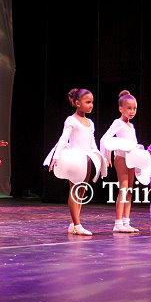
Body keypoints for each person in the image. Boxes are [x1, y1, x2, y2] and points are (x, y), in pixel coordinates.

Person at [43, 88, 107, 235]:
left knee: (81, 191)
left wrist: (99, 156)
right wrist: (56, 156)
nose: (91, 105)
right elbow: (63, 138)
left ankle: (73, 224)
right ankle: (77, 225)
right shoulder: (71, 120)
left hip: (87, 159)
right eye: (88, 102)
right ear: (78, 103)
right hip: (75, 159)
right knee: (75, 190)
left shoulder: (90, 122)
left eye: (92, 102)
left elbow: (92, 142)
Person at [100, 90, 151, 233]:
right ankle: (118, 223)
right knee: (123, 189)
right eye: (129, 108)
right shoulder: (118, 123)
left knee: (129, 190)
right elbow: (104, 138)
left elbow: (132, 143)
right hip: (121, 158)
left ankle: (126, 222)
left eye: (134, 108)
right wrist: (106, 156)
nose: (132, 111)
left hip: (131, 158)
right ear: (121, 109)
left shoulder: (131, 126)